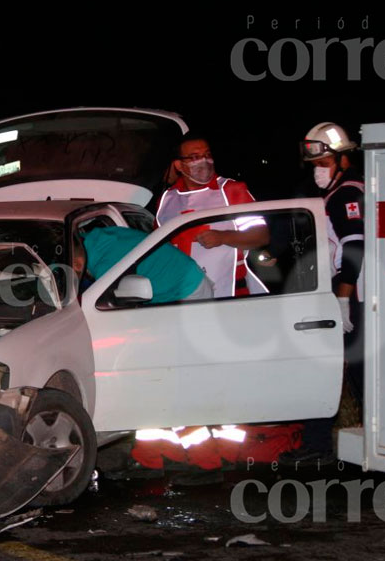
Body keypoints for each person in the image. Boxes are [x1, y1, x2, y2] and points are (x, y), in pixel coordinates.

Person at [280, 122, 365, 467]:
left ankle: (327, 443)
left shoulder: (347, 194)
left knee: (349, 369)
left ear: (343, 160)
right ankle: (323, 441)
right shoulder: (334, 194)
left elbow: (356, 247)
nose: (318, 170)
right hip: (345, 292)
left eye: (324, 163)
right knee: (338, 368)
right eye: (314, 165)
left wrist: (343, 297)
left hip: (354, 294)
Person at [155, 133, 269, 298]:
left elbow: (261, 236)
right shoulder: (167, 199)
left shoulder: (231, 190)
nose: (204, 161)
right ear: (179, 165)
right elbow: (159, 249)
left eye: (207, 155)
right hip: (183, 295)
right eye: (195, 157)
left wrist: (223, 237)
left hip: (231, 295)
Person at [81, 226, 213, 303]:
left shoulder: (105, 268)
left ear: (77, 264)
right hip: (189, 274)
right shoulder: (104, 234)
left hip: (189, 291)